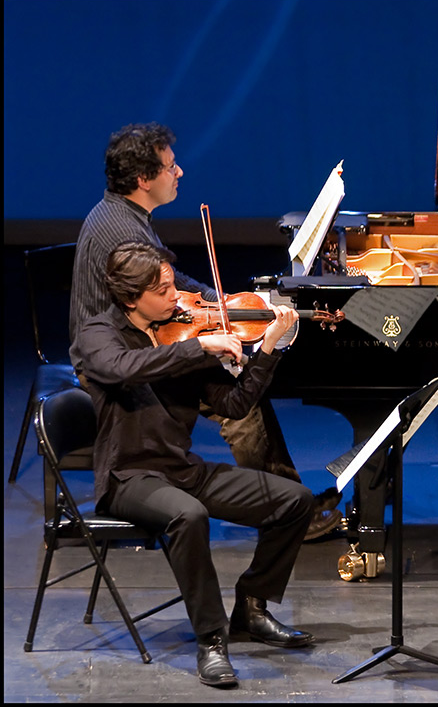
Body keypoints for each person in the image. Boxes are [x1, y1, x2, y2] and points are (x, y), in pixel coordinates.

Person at [68, 122, 341, 540]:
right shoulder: (120, 228)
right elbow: (165, 291)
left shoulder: (125, 213)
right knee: (241, 401)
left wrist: (222, 304)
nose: (179, 173)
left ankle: (289, 497)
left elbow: (171, 283)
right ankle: (285, 512)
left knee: (242, 384)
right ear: (143, 179)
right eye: (170, 167)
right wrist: (220, 316)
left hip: (147, 337)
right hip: (116, 362)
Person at [71, 241, 316, 688]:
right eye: (162, 289)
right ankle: (211, 640)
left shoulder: (182, 331)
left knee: (295, 501)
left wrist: (270, 350)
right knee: (189, 515)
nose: (175, 295)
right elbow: (125, 368)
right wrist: (200, 347)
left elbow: (236, 404)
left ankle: (252, 606)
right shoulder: (98, 334)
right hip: (129, 477)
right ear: (130, 298)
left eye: (171, 284)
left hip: (182, 470)